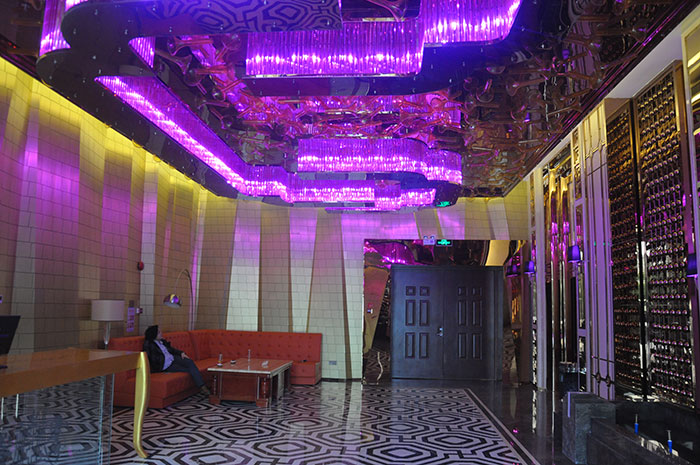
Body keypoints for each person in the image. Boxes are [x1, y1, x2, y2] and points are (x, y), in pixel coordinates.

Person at [143, 325, 210, 395]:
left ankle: (202, 386)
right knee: (188, 369)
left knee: (189, 361)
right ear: (154, 334)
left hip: (173, 358)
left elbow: (172, 349)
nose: (161, 333)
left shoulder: (162, 341)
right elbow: (151, 359)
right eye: (159, 332)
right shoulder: (149, 344)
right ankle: (202, 387)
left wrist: (181, 353)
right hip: (166, 365)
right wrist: (162, 362)